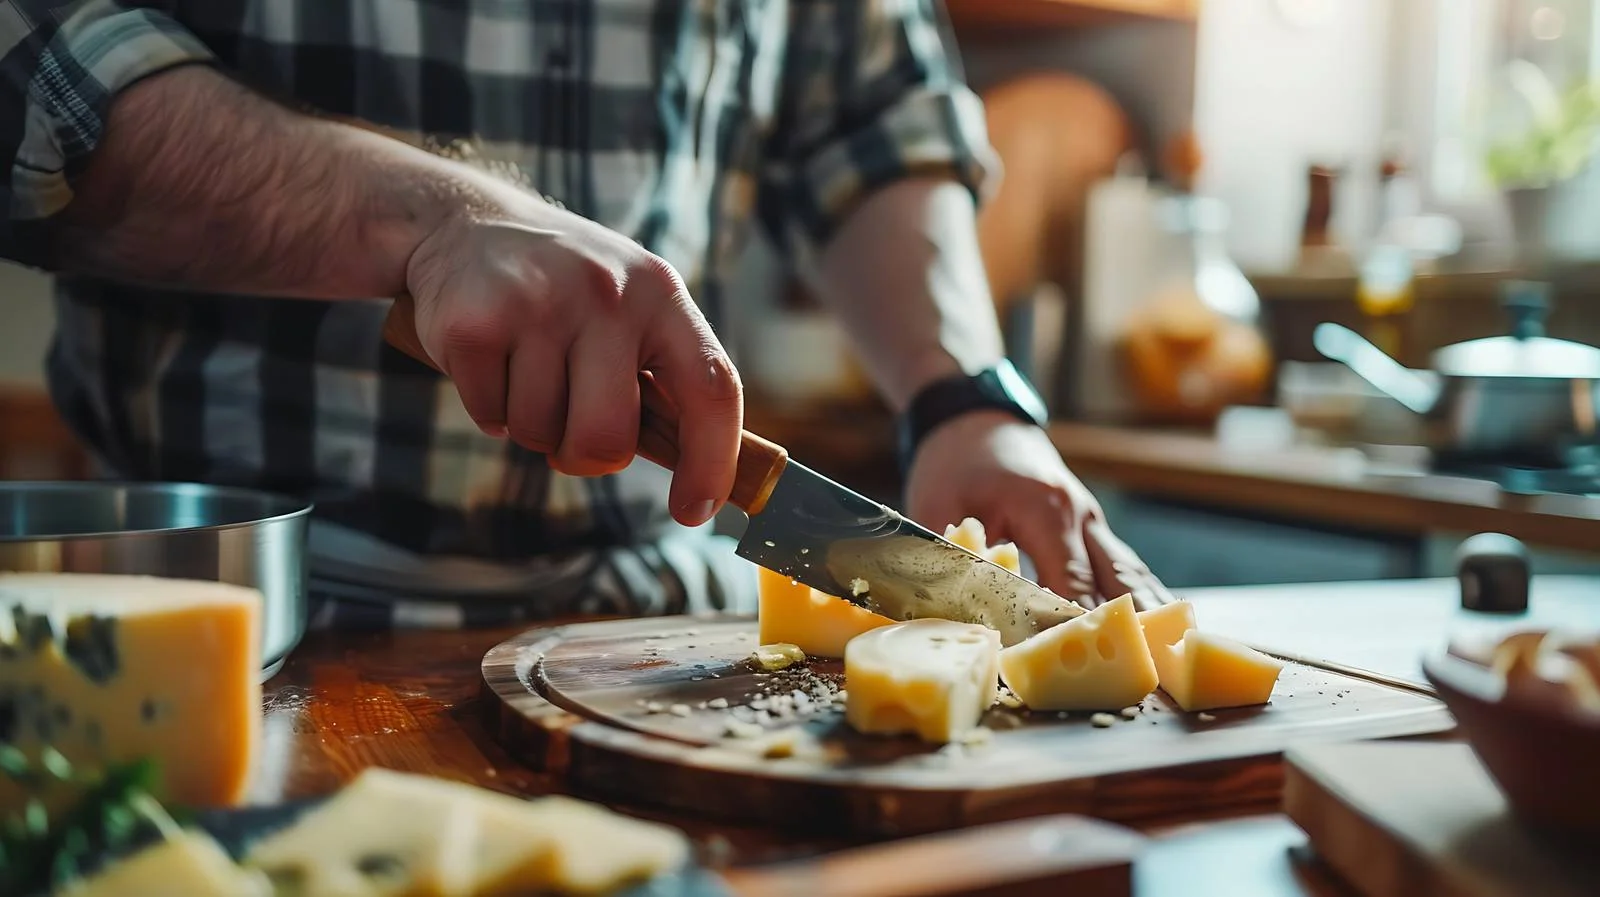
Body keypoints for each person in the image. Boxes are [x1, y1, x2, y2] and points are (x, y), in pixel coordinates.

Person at [0, 1, 1169, 628]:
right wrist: (427, 220)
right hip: (224, 632)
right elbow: (33, 66)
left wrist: (965, 397)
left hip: (651, 636)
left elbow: (871, 110)